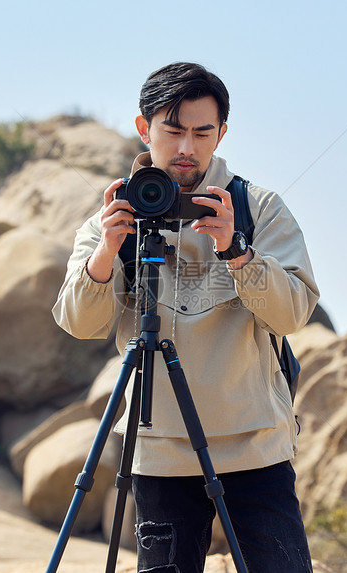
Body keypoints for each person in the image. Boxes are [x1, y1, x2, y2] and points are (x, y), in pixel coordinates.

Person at [53, 62, 319, 573]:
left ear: (221, 133)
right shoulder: (113, 218)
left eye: (202, 133)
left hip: (254, 449)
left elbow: (293, 314)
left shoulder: (257, 209)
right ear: (143, 129)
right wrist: (107, 252)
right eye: (172, 131)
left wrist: (238, 252)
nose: (186, 149)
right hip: (159, 455)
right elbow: (78, 323)